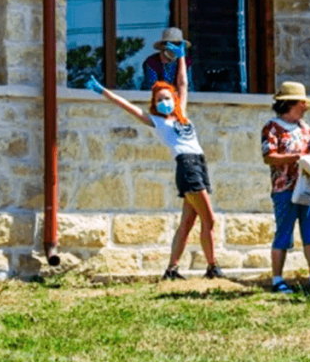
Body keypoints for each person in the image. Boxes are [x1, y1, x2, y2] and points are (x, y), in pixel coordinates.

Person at [86, 41, 222, 280]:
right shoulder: (158, 121)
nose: (165, 102)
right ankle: (212, 267)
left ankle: (171, 269)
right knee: (208, 219)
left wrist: (181, 58)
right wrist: (102, 91)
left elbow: (182, 84)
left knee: (188, 222)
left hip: (200, 164)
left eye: (167, 98)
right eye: (160, 99)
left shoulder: (182, 116)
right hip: (187, 166)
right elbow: (128, 107)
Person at [261, 81, 310, 296]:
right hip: (285, 188)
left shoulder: (305, 127)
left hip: (309, 186)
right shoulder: (272, 127)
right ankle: (277, 279)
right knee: (283, 232)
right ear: (291, 103)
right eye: (302, 102)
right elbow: (268, 156)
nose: (306, 106)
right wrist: (295, 158)